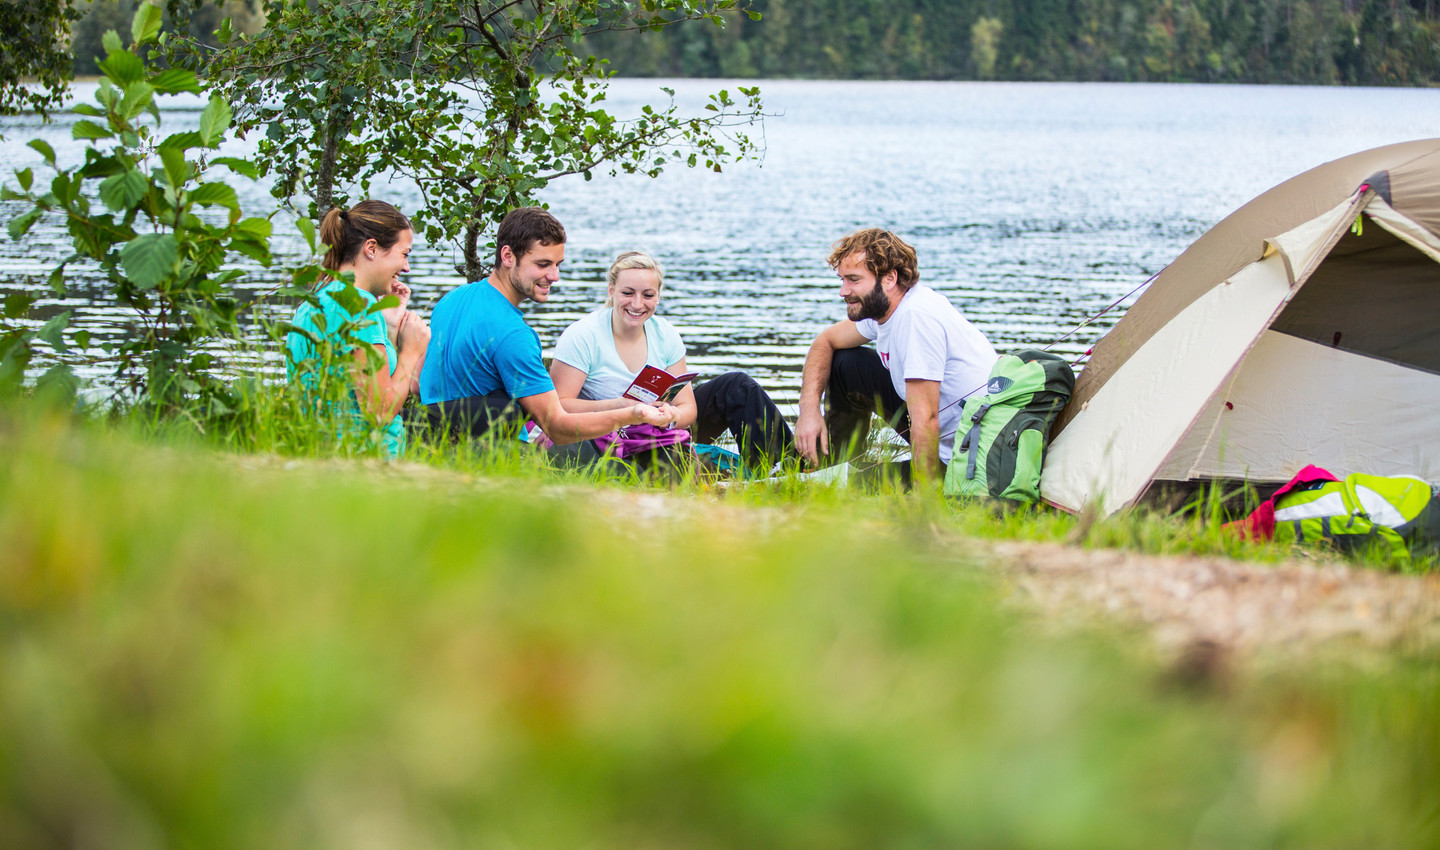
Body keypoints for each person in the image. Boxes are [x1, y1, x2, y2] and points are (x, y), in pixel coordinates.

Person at [418, 207, 672, 455]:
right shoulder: (514, 335)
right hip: (488, 453)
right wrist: (633, 414)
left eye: (557, 264)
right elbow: (558, 428)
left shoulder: (451, 300)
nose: (554, 276)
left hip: (434, 440)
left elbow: (423, 381)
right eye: (543, 264)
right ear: (508, 256)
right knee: (618, 468)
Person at [549, 250, 794, 470]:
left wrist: (671, 415)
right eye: (627, 293)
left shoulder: (665, 333)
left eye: (647, 295)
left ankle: (781, 468)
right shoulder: (583, 334)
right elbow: (558, 406)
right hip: (606, 434)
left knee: (738, 385)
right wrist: (622, 408)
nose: (637, 304)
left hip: (657, 429)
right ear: (611, 291)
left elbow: (689, 409)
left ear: (658, 296)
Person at [794, 228, 998, 488]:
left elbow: (927, 419)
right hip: (946, 426)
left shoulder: (915, 318)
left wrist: (925, 500)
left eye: (853, 280)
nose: (843, 291)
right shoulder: (888, 308)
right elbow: (826, 341)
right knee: (846, 362)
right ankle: (835, 460)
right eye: (842, 280)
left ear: (889, 278)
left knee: (844, 486)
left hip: (966, 459)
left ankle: (832, 477)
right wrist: (809, 410)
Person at [286, 199, 430, 457]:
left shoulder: (315, 300)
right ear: (372, 248)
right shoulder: (357, 304)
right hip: (364, 463)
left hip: (316, 452)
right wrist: (411, 351)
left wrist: (389, 326)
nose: (407, 267)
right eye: (404, 254)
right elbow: (380, 411)